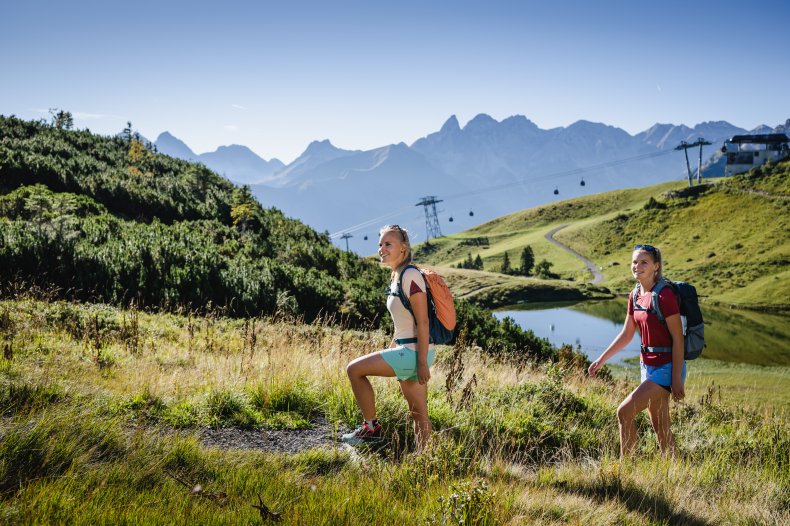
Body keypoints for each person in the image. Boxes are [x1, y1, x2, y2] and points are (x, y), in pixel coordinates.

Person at [341, 224, 435, 450]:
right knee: (419, 414)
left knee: (354, 370)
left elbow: (423, 322)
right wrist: (393, 346)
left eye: (388, 244)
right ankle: (424, 461)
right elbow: (404, 323)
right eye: (380, 244)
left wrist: (422, 363)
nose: (381, 249)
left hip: (413, 354)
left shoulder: (411, 275)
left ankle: (371, 428)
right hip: (409, 351)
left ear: (403, 248)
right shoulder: (398, 276)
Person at [588, 244, 686, 457]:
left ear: (656, 266)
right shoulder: (635, 295)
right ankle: (677, 471)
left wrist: (676, 377)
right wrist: (601, 360)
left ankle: (626, 471)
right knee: (660, 427)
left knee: (624, 412)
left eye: (644, 262)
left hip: (666, 368)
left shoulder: (664, 295)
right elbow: (626, 334)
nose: (637, 266)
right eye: (634, 262)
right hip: (647, 366)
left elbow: (678, 339)